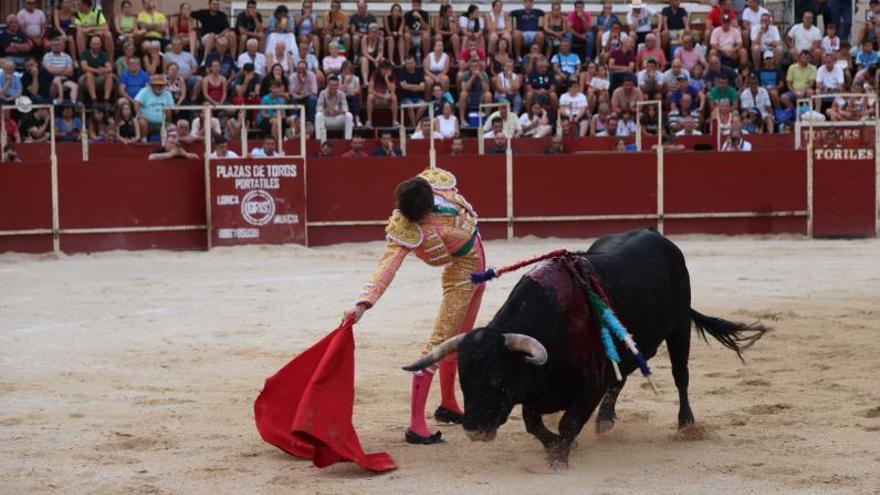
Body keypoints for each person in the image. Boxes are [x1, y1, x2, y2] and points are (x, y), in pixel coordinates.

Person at [344, 168, 485, 444]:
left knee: (458, 341)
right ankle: (417, 426)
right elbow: (386, 268)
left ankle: (447, 404)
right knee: (440, 342)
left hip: (478, 273)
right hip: (462, 276)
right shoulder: (408, 226)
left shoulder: (434, 185)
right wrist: (363, 303)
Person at [135, 74, 174, 140]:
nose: (159, 87)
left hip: (163, 121)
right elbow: (136, 102)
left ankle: (168, 143)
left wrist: (168, 111)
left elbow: (172, 107)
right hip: (147, 121)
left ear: (164, 86)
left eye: (161, 85)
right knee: (142, 122)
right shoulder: (144, 91)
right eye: (156, 85)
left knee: (173, 128)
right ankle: (144, 142)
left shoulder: (167, 93)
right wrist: (139, 114)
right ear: (152, 86)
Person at [315, 75, 353, 141]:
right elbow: (318, 108)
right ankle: (319, 139)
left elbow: (346, 109)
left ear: (338, 85)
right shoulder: (322, 93)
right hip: (326, 119)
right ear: (328, 85)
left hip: (338, 118)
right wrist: (327, 110)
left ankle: (348, 140)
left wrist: (338, 111)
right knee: (318, 115)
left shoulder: (342, 94)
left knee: (349, 115)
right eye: (331, 85)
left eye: (335, 85)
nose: (333, 87)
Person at [42, 36, 79, 103]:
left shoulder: (67, 56)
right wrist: (64, 69)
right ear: (51, 46)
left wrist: (56, 71)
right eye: (55, 45)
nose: (57, 46)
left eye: (59, 45)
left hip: (64, 79)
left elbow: (70, 72)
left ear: (62, 46)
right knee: (57, 79)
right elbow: (50, 71)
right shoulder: (47, 56)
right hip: (51, 80)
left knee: (75, 86)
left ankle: (73, 104)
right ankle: (59, 99)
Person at [78, 35, 113, 102]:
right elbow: (84, 67)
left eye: (98, 44)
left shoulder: (104, 54)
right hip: (85, 79)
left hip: (100, 77)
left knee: (110, 74)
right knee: (88, 73)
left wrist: (104, 70)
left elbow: (109, 68)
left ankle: (106, 100)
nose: (96, 46)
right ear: (90, 44)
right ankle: (94, 100)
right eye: (94, 44)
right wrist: (96, 71)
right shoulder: (84, 54)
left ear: (101, 45)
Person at [366, 60, 399, 128]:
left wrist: (386, 78)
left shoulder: (392, 75)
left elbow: (393, 90)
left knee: (394, 97)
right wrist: (383, 96)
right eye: (385, 69)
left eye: (388, 69)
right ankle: (369, 121)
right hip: (377, 99)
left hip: (387, 100)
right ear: (381, 68)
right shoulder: (375, 74)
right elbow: (370, 90)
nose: (387, 71)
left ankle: (395, 122)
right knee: (370, 96)